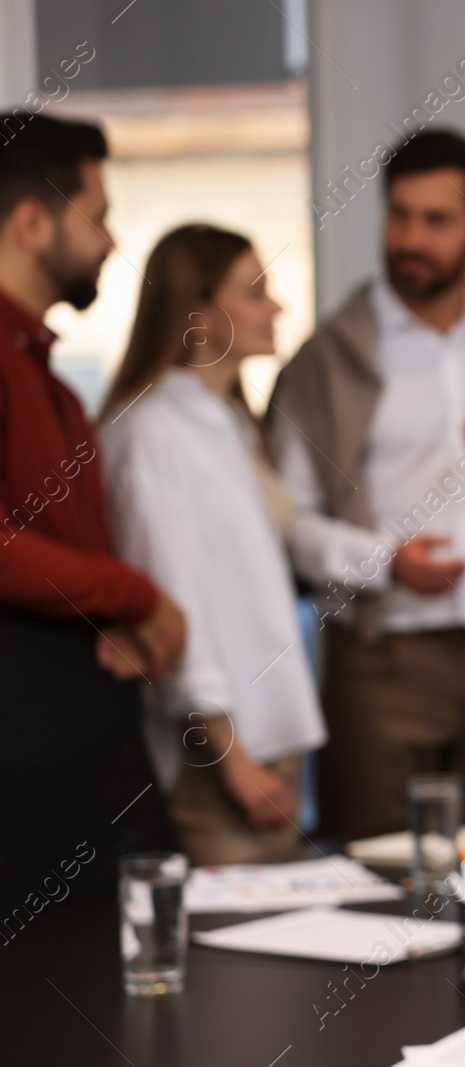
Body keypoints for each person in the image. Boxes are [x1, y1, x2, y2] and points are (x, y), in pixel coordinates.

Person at [267, 129, 465, 839]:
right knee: (380, 878)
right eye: (399, 215)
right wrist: (387, 563)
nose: (410, 238)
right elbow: (289, 522)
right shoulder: (327, 361)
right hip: (384, 664)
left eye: (436, 220)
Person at [0, 114, 185, 911]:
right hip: (27, 768)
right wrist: (134, 596)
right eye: (98, 216)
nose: (111, 242)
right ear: (34, 222)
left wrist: (112, 616)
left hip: (76, 752)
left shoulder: (52, 383)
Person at [98, 223, 326, 865]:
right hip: (221, 755)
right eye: (254, 291)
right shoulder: (151, 433)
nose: (276, 307)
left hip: (269, 737)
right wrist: (231, 761)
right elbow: (173, 608)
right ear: (197, 315)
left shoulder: (229, 423)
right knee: (237, 959)